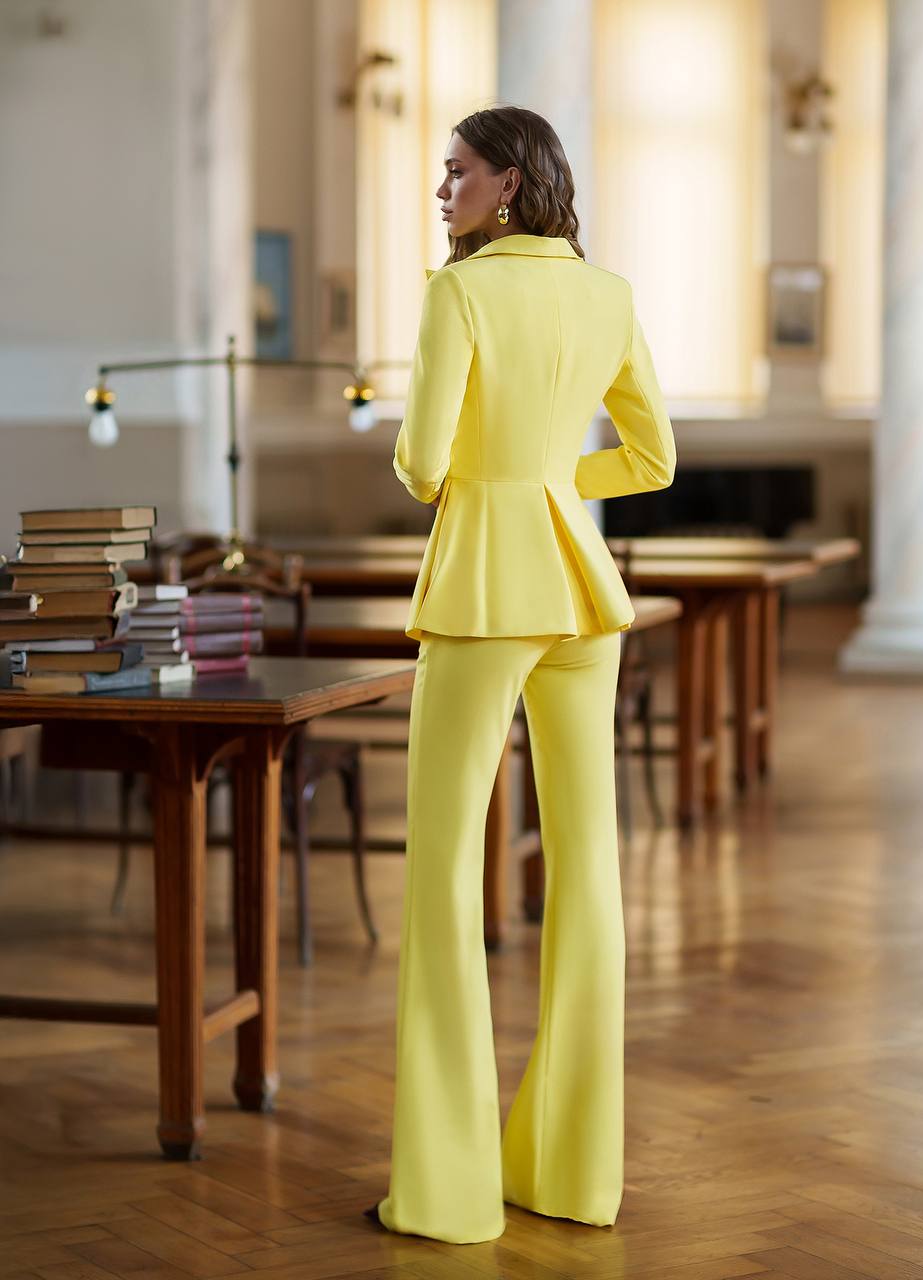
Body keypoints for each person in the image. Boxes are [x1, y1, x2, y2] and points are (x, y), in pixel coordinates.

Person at [365, 104, 676, 1245]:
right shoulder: (609, 293)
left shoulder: (460, 293)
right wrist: (552, 476)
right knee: (588, 872)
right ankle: (569, 1173)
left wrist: (497, 481)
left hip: (486, 590)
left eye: (454, 172)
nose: (440, 189)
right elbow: (651, 456)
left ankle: (445, 1195)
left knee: (445, 877)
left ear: (505, 182)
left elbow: (418, 463)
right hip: (584, 594)